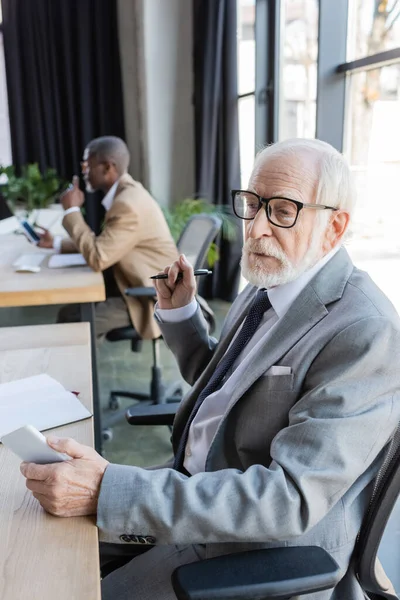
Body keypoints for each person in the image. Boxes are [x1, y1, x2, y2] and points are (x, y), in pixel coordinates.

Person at [20, 139, 400, 599]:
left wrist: (109, 490)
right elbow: (230, 387)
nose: (256, 227)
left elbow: (289, 499)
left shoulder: (365, 331)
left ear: (334, 227)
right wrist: (180, 316)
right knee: (33, 536)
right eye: (253, 204)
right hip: (191, 492)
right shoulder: (273, 282)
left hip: (248, 548)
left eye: (282, 210)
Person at [38, 136, 178, 338]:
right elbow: (106, 244)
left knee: (73, 320)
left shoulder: (127, 204)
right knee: (73, 311)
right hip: (127, 284)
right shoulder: (126, 194)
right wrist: (56, 243)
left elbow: (98, 257)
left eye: (87, 165)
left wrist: (72, 211)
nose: (83, 172)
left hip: (147, 298)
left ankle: (83, 368)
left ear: (107, 167)